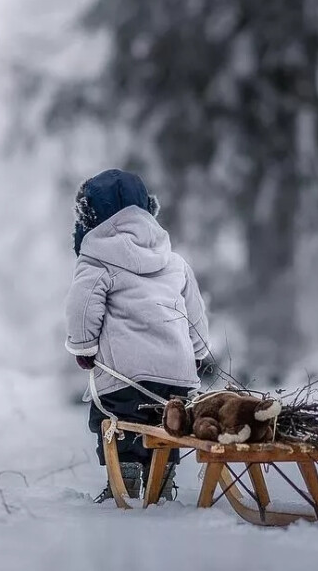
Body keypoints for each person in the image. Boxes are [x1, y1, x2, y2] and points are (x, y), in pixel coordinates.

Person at [64, 168, 211, 503]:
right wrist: (198, 352)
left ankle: (125, 476)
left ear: (91, 216)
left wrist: (84, 347)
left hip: (125, 375)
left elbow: (82, 307)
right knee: (168, 420)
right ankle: (163, 477)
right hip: (177, 373)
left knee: (116, 420)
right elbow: (195, 311)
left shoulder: (96, 258)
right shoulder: (174, 261)